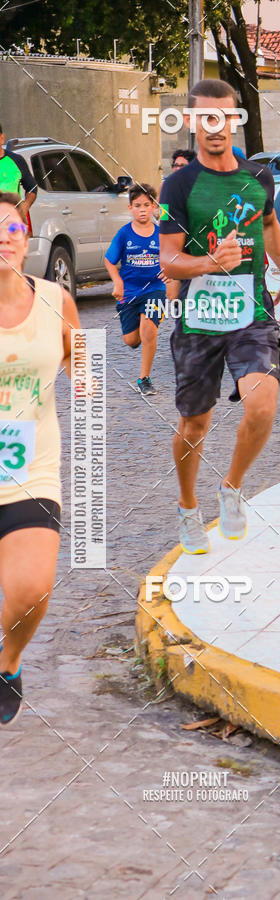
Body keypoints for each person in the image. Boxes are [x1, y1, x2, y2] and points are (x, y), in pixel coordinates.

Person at [159, 78, 280, 554]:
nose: (216, 126)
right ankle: (186, 506)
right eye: (206, 117)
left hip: (251, 312)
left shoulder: (259, 176)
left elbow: (269, 223)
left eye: (225, 116)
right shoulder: (178, 185)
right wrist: (208, 264)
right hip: (199, 318)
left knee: (262, 403)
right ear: (193, 122)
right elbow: (169, 261)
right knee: (195, 424)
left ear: (236, 120)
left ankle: (232, 487)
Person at [0, 191, 81, 726]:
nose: (3, 237)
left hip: (28, 469)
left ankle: (7, 661)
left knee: (31, 591)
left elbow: (82, 362)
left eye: (12, 228)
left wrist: (91, 396)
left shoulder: (56, 298)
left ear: (26, 239)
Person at [104, 182, 169, 397]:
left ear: (154, 207)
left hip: (156, 289)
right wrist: (117, 282)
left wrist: (170, 271)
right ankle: (139, 332)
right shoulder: (124, 234)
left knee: (149, 328)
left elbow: (173, 257)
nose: (142, 209)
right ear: (130, 208)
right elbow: (109, 261)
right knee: (131, 340)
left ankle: (144, 379)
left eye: (147, 205)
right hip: (129, 293)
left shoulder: (162, 234)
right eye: (137, 205)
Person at [0, 125, 37, 215]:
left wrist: (26, 205)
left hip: (12, 221)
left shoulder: (16, 160)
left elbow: (32, 187)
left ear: (1, 138)